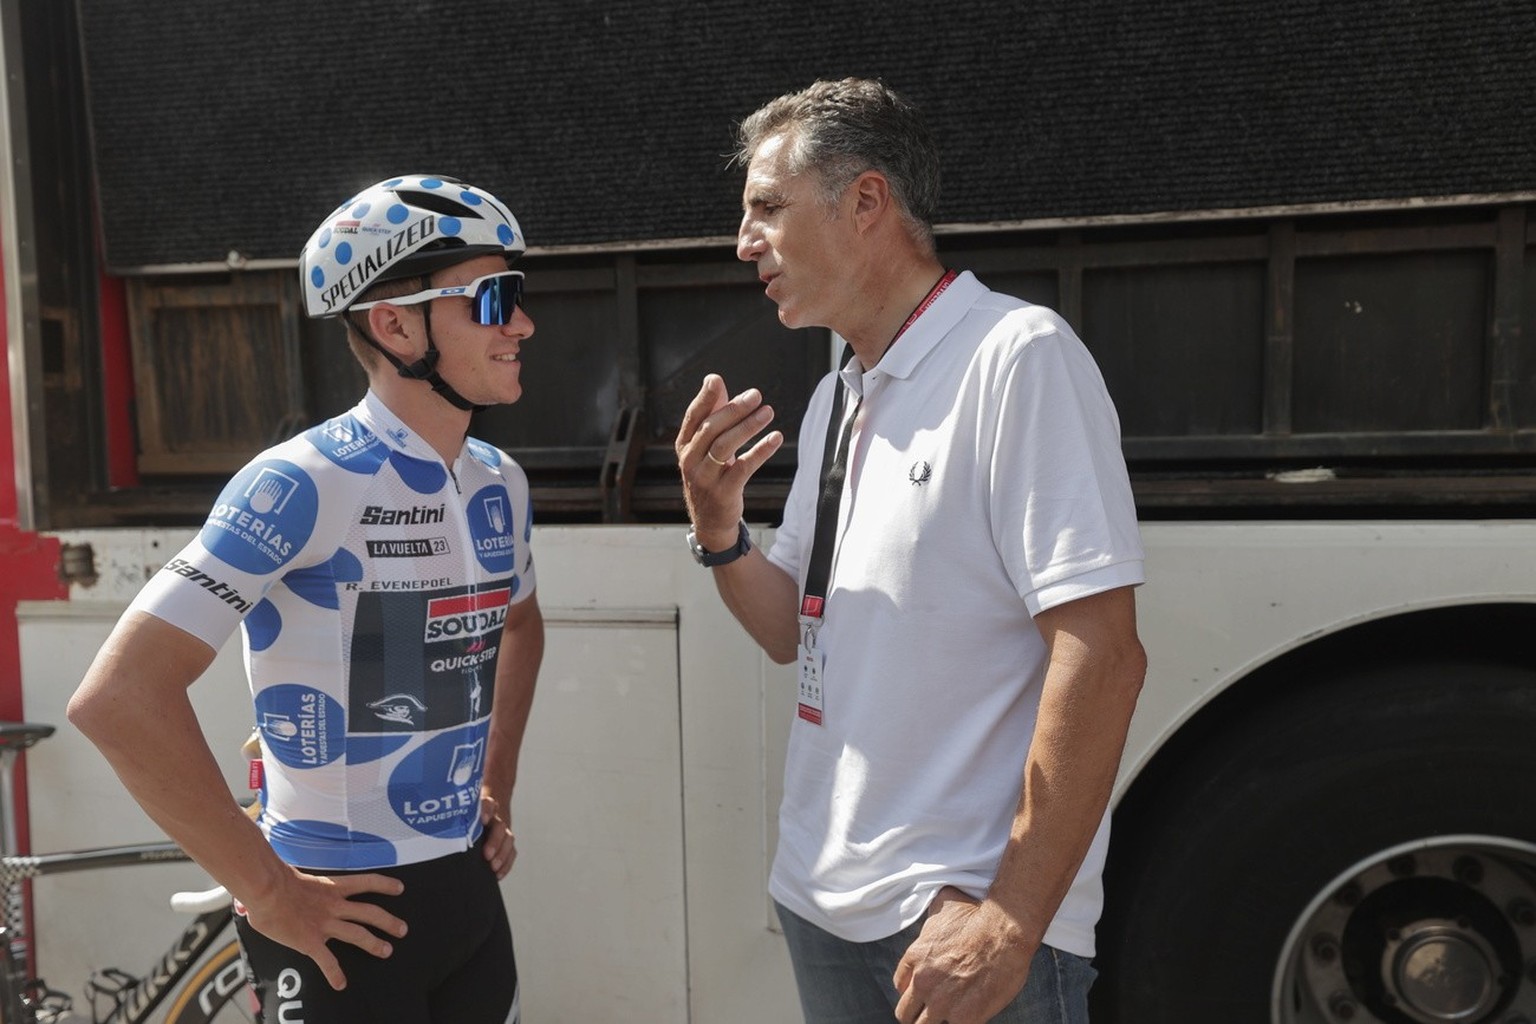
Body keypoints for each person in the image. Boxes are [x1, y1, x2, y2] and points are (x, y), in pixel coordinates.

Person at [675, 80, 1147, 1024]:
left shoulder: (1017, 356)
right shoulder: (840, 393)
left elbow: (1104, 656)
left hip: (956, 925)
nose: (743, 242)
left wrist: (1009, 921)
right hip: (824, 906)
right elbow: (789, 633)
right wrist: (718, 531)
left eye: (767, 207)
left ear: (866, 202)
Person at [69, 174, 544, 1024]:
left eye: (519, 294)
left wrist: (494, 783)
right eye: (493, 298)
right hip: (336, 912)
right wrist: (264, 888)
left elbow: (518, 623)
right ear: (395, 324)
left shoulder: (498, 481)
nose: (522, 322)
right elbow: (119, 698)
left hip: (467, 891)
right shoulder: (302, 482)